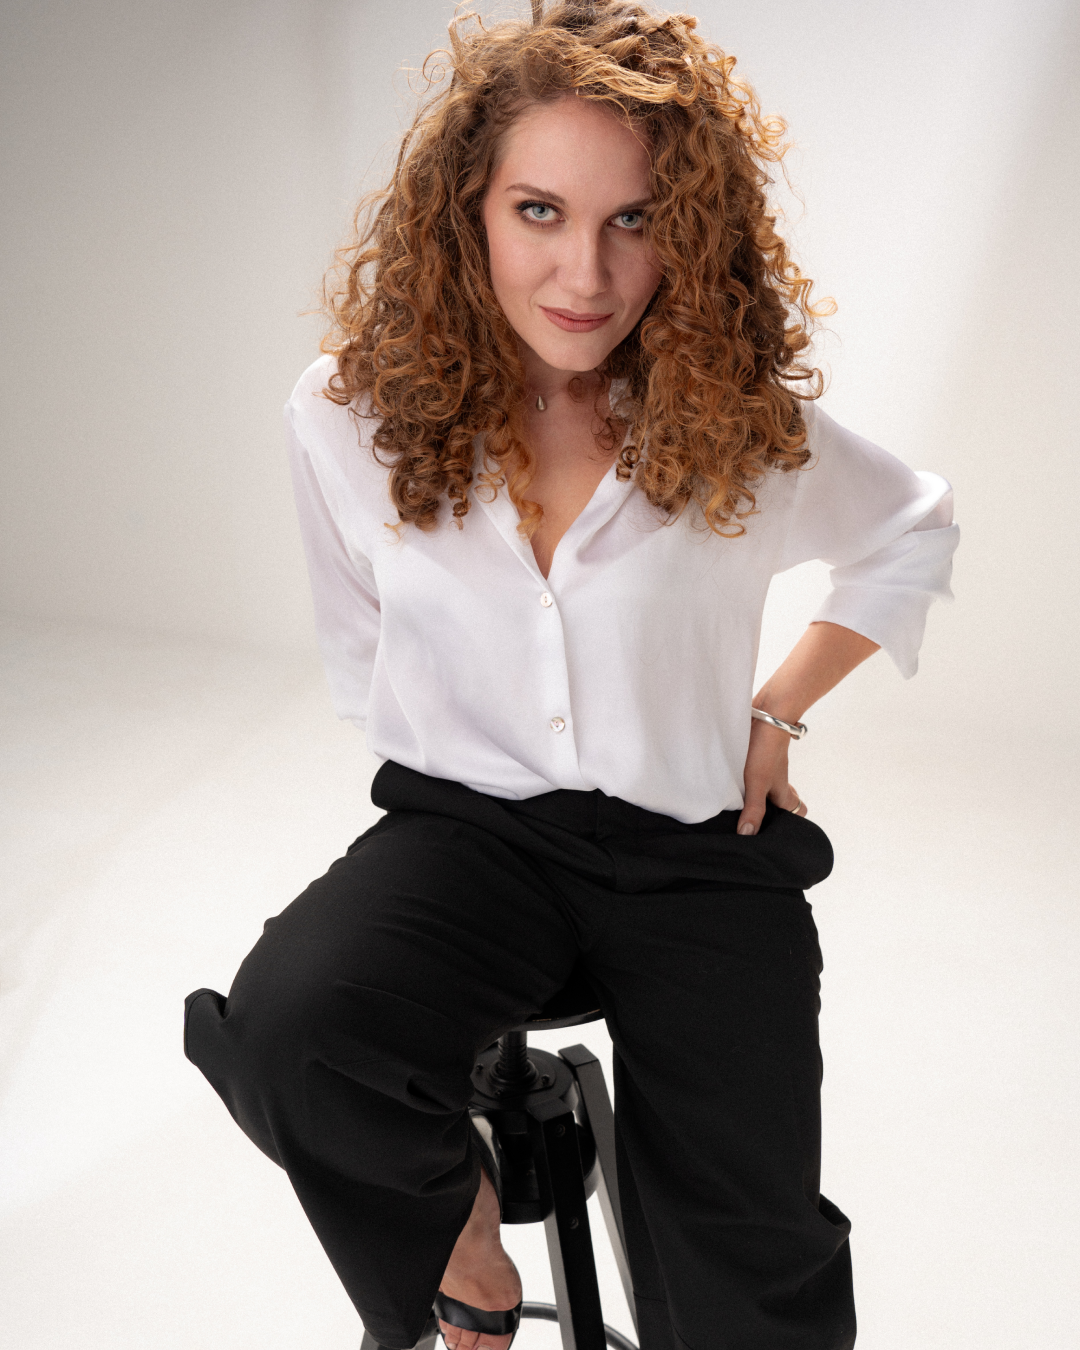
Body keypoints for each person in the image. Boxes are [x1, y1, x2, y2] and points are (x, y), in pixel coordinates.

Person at [184, 4, 958, 1349]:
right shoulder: (350, 413)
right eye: (539, 211)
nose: (585, 273)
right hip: (473, 837)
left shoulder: (735, 420)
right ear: (469, 212)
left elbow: (911, 525)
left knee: (750, 1260)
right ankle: (465, 1249)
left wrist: (775, 709)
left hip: (700, 852)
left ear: (687, 231)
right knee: (290, 1031)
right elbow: (361, 646)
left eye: (632, 220)